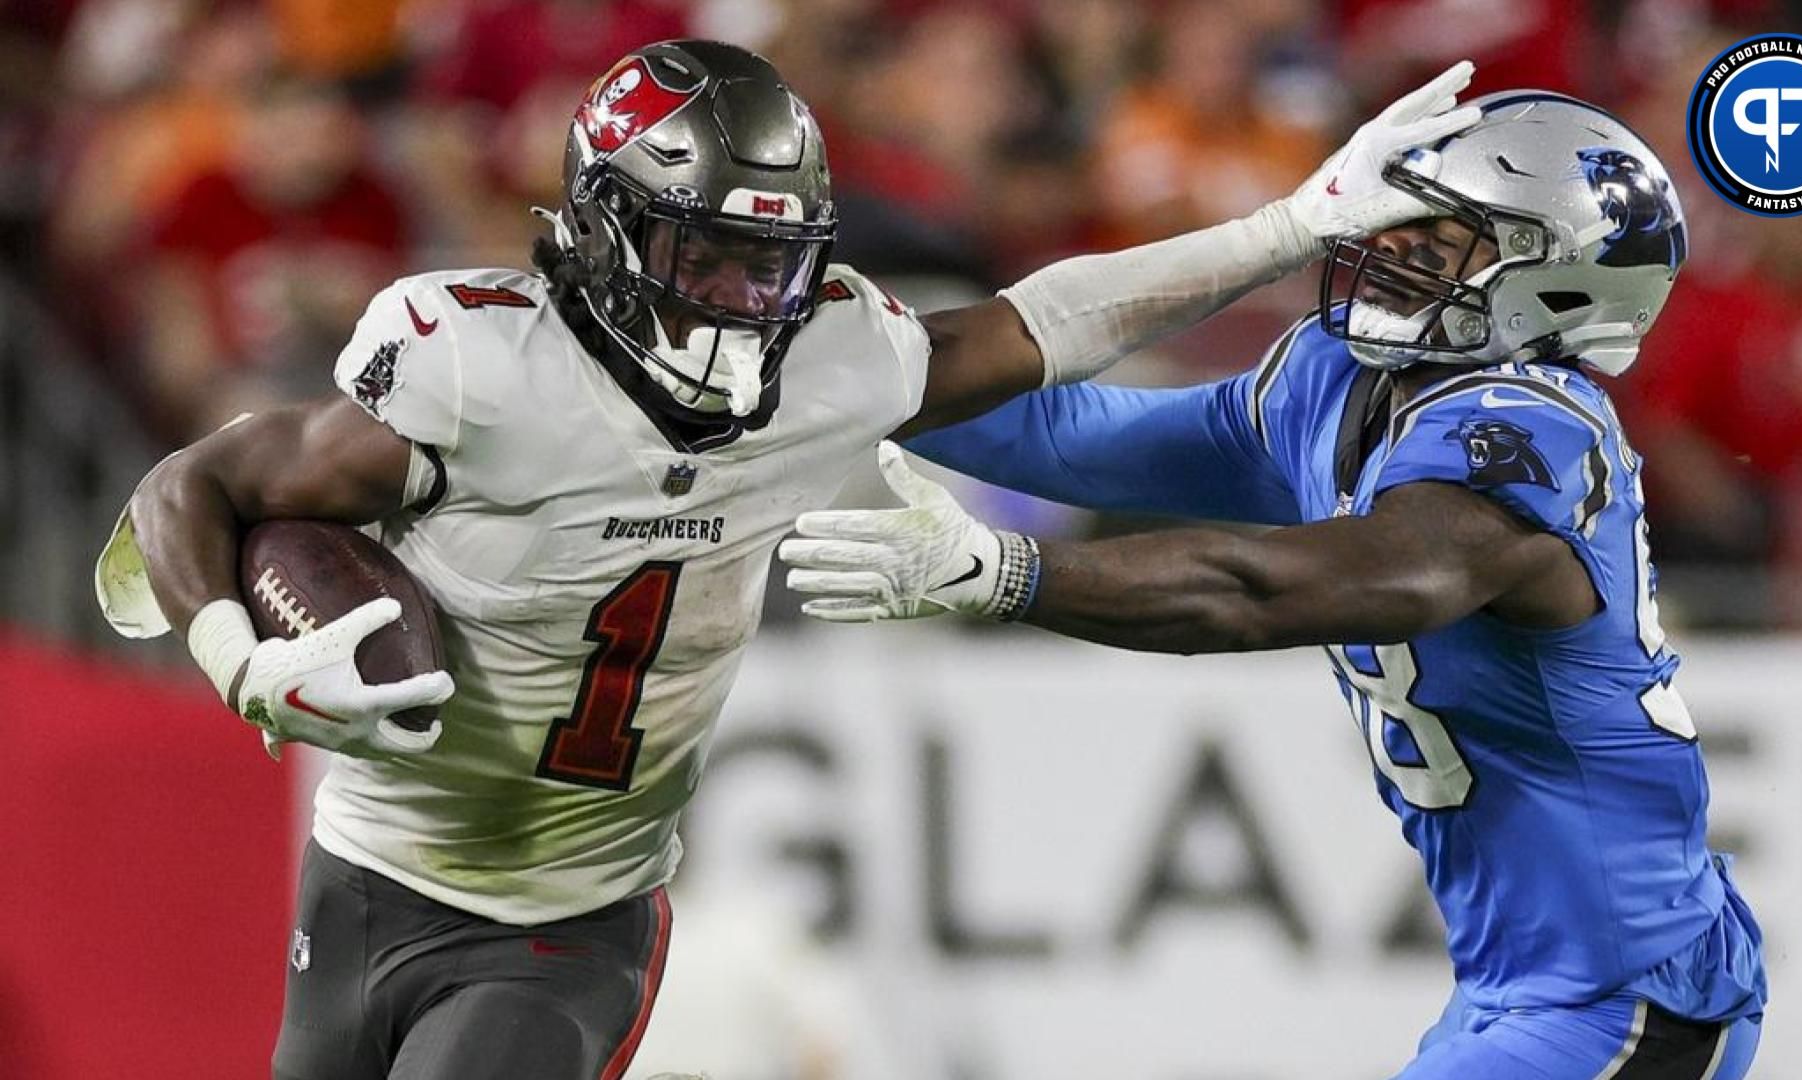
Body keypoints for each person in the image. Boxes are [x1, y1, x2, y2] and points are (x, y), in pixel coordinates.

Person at [90, 40, 1486, 1080]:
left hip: (565, 920)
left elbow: (1037, 323)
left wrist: (1287, 230)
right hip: (364, 871)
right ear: (603, 227)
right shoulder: (472, 368)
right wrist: (244, 660)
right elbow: (192, 487)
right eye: (703, 259)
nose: (746, 305)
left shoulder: (821, 359)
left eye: (770, 267)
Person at [779, 90, 1767, 1078]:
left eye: (1452, 235)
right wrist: (844, 370)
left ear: (1561, 285)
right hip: (1512, 985)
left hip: (1635, 990)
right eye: (1405, 216)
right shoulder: (1337, 379)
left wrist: (1007, 573)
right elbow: (1074, 437)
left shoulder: (1534, 433)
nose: (1398, 245)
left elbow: (1280, 589)